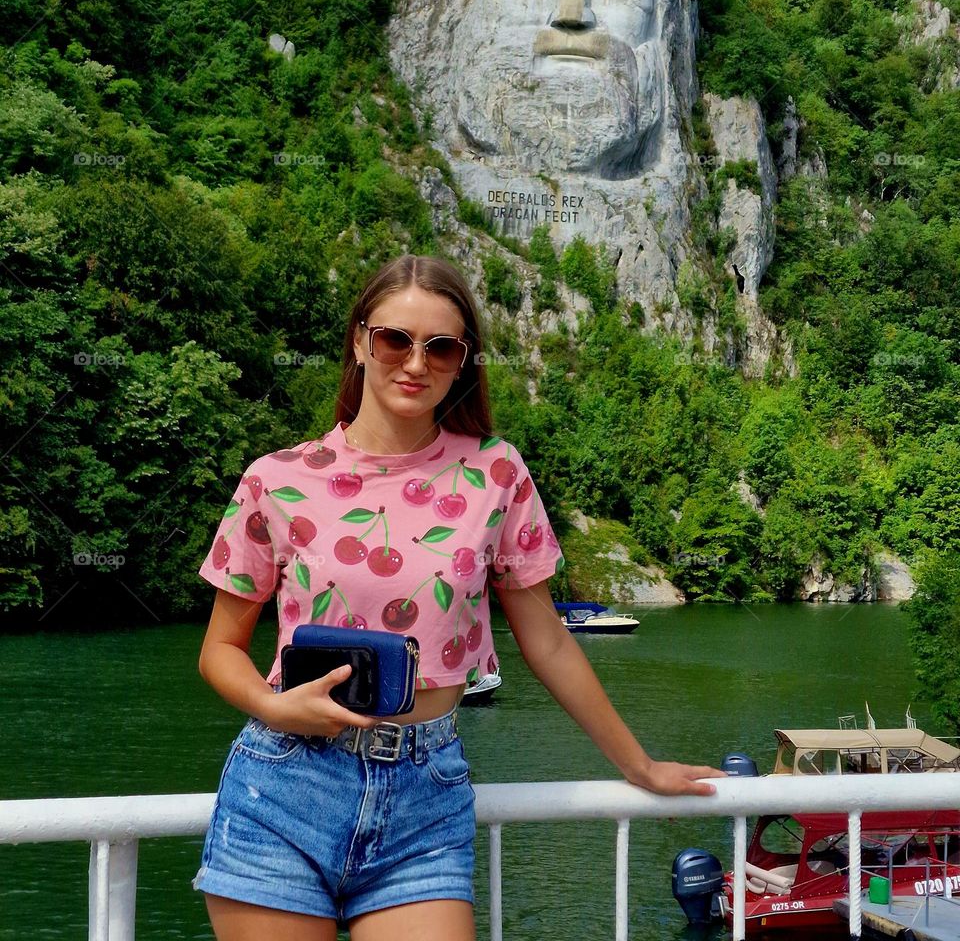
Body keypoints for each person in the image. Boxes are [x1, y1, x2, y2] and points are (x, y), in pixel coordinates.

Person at [191, 253, 726, 941]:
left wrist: (639, 764)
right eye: (394, 340)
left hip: (425, 794)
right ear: (359, 342)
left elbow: (549, 640)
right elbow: (219, 650)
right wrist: (273, 705)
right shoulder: (277, 479)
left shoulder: (494, 472)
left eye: (441, 348)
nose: (415, 363)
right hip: (284, 786)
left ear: (462, 362)